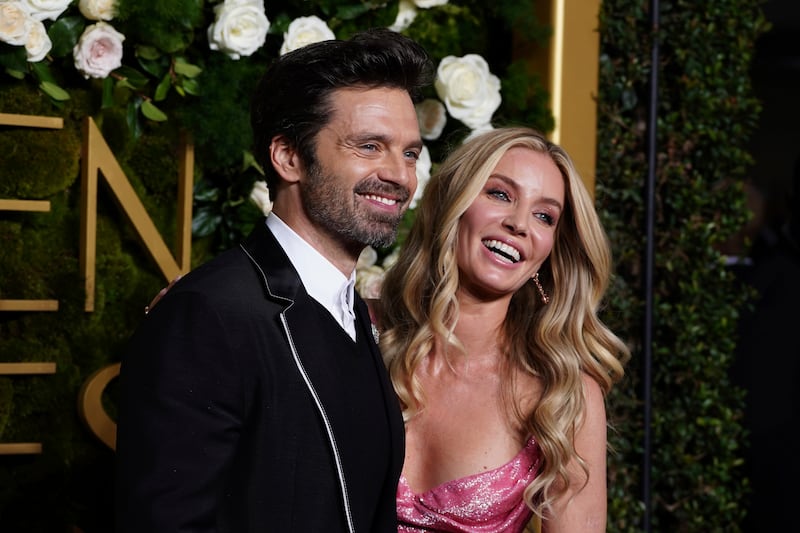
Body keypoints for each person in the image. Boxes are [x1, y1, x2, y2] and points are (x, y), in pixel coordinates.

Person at [114, 28, 434, 533]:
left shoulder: (352, 314)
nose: (399, 175)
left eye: (410, 153)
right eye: (370, 146)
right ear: (288, 158)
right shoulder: (209, 314)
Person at [377, 127, 630, 532]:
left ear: (550, 251)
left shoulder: (563, 394)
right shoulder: (359, 331)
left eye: (544, 216)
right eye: (500, 194)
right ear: (453, 202)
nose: (519, 224)